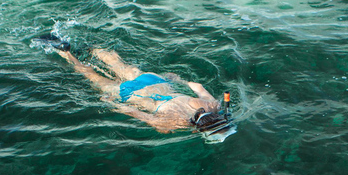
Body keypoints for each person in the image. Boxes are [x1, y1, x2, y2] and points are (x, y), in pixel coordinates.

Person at [37, 35, 230, 135]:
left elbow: (196, 85)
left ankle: (91, 48)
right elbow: (137, 113)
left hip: (155, 81)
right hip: (132, 94)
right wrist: (114, 104)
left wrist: (176, 80)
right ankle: (65, 52)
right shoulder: (176, 123)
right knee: (92, 75)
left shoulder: (212, 105)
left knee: (117, 63)